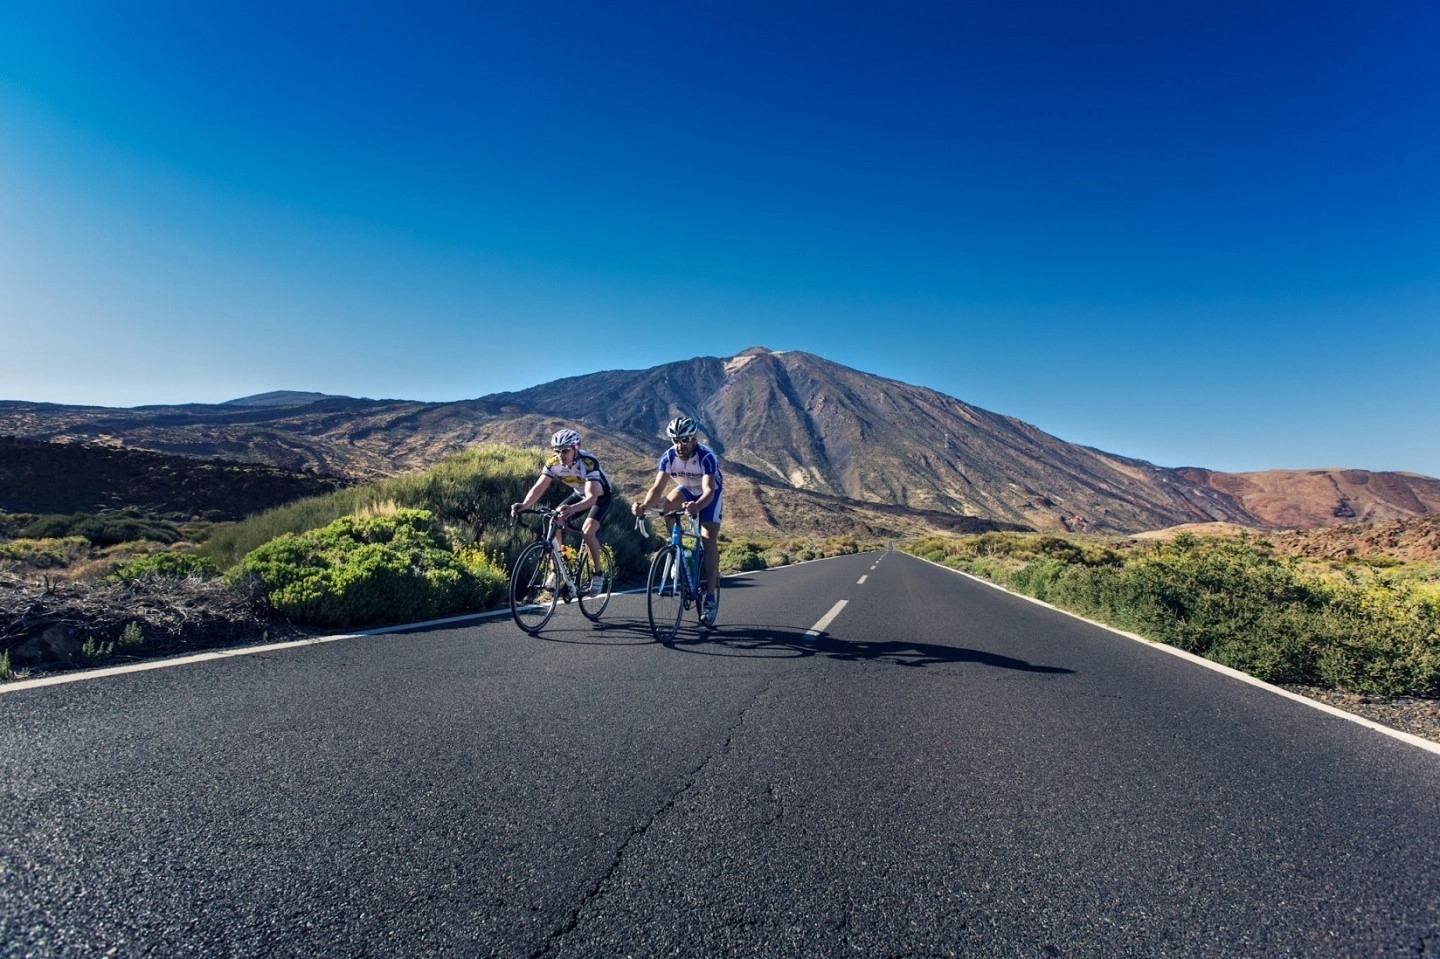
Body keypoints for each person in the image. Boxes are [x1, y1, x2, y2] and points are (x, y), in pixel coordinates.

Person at [631, 415, 723, 623]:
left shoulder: (706, 457)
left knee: (708, 538)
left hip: (710, 494)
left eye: (684, 440)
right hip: (687, 489)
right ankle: (679, 550)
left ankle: (709, 598)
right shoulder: (668, 457)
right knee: (668, 506)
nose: (679, 445)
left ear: (694, 439)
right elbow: (657, 489)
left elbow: (708, 490)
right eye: (675, 440)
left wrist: (697, 506)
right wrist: (644, 507)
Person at [511, 428, 612, 591]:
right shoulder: (553, 464)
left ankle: (598, 574)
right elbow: (539, 488)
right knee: (555, 518)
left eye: (565, 451)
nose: (561, 455)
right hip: (579, 494)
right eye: (557, 451)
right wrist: (524, 505)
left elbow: (592, 498)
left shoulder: (588, 462)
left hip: (600, 497)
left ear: (576, 447)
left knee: (588, 532)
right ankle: (558, 567)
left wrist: (573, 508)